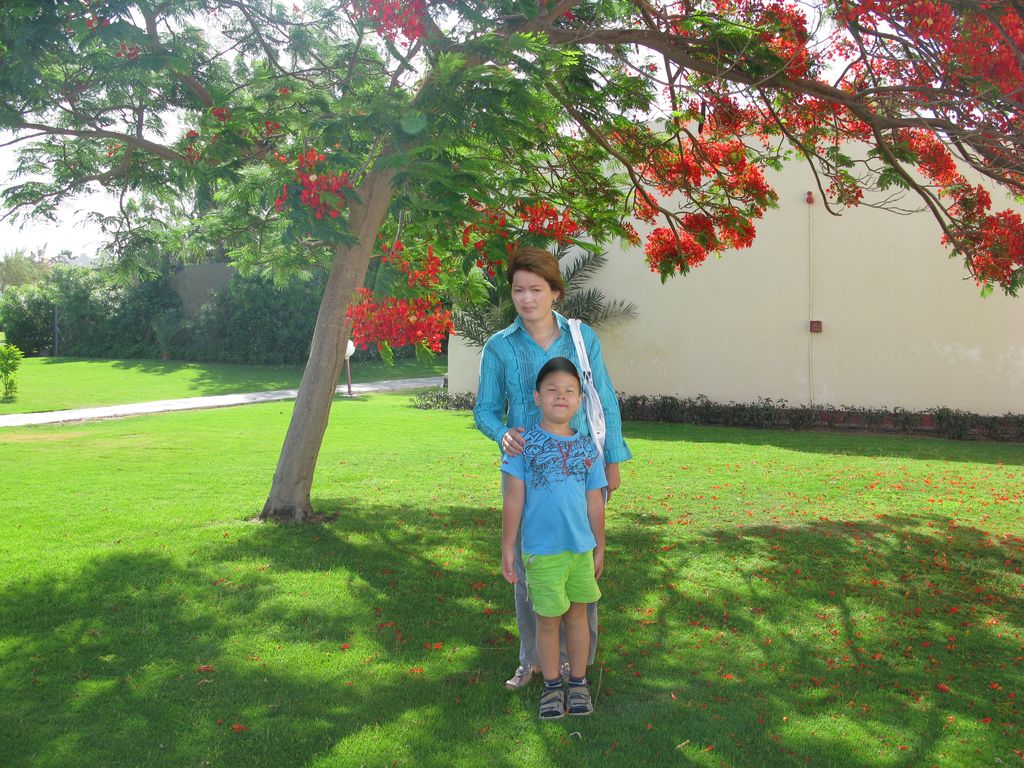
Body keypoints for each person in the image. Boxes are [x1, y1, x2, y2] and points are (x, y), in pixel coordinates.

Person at [474, 246, 632, 689]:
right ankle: (532, 660)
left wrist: (612, 459)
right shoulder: (500, 347)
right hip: (528, 472)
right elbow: (484, 410)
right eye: (518, 290)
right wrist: (501, 434)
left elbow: (605, 398)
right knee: (531, 566)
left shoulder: (581, 339)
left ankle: (574, 662)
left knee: (580, 560)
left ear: (555, 292)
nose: (526, 299)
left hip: (581, 467)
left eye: (536, 290)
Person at [500, 356, 606, 718]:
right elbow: (513, 499)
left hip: (580, 550)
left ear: (579, 400)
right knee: (547, 621)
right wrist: (507, 548)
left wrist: (600, 547)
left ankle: (578, 682)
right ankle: (550, 686)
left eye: (569, 391)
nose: (560, 396)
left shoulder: (588, 449)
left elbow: (595, 502)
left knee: (578, 617)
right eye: (552, 390)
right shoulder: (522, 445)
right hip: (542, 552)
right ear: (537, 397)